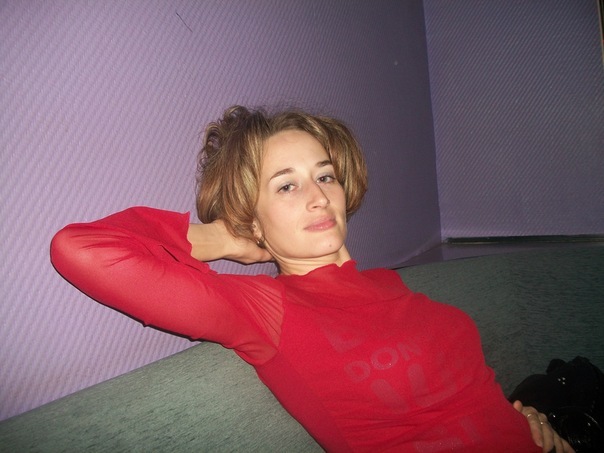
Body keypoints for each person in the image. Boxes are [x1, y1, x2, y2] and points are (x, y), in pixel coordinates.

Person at [50, 105, 573, 452]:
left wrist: (522, 419)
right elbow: (79, 250)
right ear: (253, 218)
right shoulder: (266, 309)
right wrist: (229, 237)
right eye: (286, 186)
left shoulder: (389, 284)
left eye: (324, 176)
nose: (319, 196)